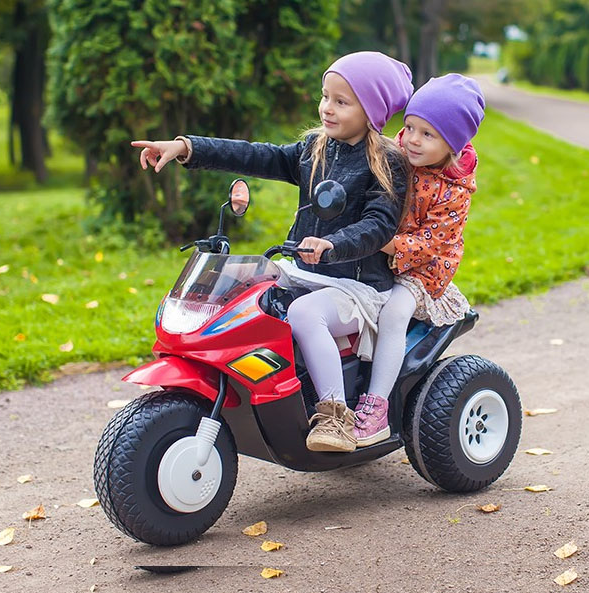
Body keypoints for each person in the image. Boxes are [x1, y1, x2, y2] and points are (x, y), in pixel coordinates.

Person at [131, 52, 413, 453]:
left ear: (372, 112)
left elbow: (379, 225)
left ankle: (336, 416)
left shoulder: (386, 163)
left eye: (341, 101)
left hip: (356, 286)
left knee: (302, 313)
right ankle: (243, 383)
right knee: (241, 291)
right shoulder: (316, 147)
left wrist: (334, 244)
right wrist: (185, 147)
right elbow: (254, 154)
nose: (326, 109)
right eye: (324, 96)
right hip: (305, 271)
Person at [353, 73, 486, 447]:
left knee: (393, 313)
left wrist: (380, 240)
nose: (412, 138)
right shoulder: (396, 154)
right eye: (409, 126)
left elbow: (428, 243)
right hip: (381, 250)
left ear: (453, 143)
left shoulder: (454, 190)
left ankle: (377, 406)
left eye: (427, 134)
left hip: (423, 267)